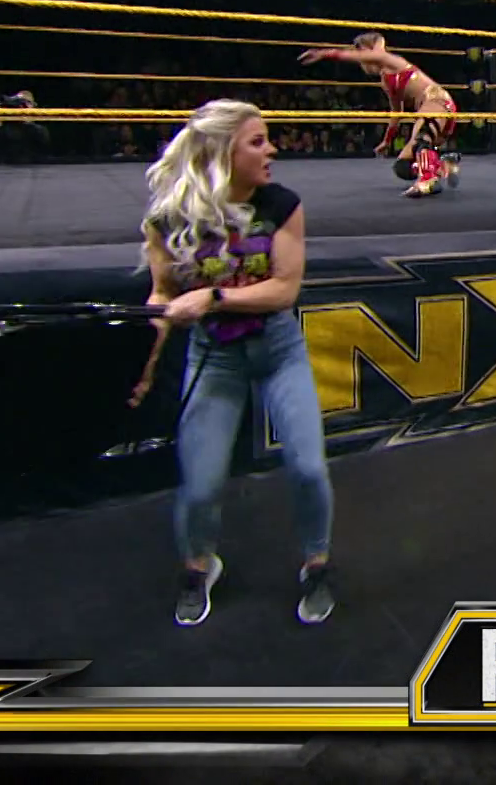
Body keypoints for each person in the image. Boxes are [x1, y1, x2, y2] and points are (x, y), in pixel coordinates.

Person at [130, 100, 336, 628]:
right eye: (257, 141)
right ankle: (199, 566)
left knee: (309, 468)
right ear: (224, 152)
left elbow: (284, 289)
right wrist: (149, 358)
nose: (272, 150)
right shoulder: (168, 219)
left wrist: (213, 297)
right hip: (215, 356)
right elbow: (161, 295)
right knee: (200, 484)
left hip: (278, 349)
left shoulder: (281, 204)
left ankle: (317, 563)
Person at [300, 34, 461, 197]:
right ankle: (444, 165)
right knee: (402, 167)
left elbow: (374, 52)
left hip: (437, 102)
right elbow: (397, 111)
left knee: (421, 138)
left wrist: (324, 53)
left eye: (362, 57)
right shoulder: (386, 79)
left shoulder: (392, 61)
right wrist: (387, 140)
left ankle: (428, 181)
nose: (362, 64)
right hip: (430, 112)